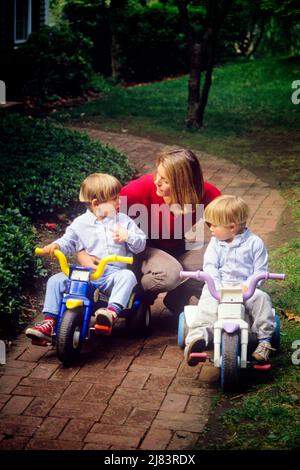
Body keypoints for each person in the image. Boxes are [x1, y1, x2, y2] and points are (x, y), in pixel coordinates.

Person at [77, 148, 221, 315]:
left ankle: (178, 297)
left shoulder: (206, 193)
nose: (156, 182)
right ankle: (135, 293)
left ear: (183, 183)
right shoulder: (139, 190)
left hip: (180, 249)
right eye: (157, 175)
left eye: (164, 180)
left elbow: (232, 225)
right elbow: (95, 214)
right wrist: (81, 252)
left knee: (222, 261)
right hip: (146, 250)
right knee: (170, 274)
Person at [26, 173, 146, 343]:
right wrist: (56, 246)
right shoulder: (80, 223)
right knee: (56, 281)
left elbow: (140, 244)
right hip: (87, 273)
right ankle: (50, 322)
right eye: (114, 199)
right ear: (96, 204)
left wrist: (128, 236)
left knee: (128, 277)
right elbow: (68, 241)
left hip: (112, 274)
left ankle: (111, 312)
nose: (119, 202)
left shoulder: (123, 221)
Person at [184, 195, 276, 365]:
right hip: (220, 287)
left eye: (213, 225)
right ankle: (197, 337)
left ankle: (264, 340)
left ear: (232, 227)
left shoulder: (255, 244)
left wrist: (248, 286)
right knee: (208, 302)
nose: (210, 228)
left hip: (246, 289)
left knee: (262, 299)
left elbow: (260, 271)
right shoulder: (215, 244)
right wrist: (216, 286)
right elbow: (210, 267)